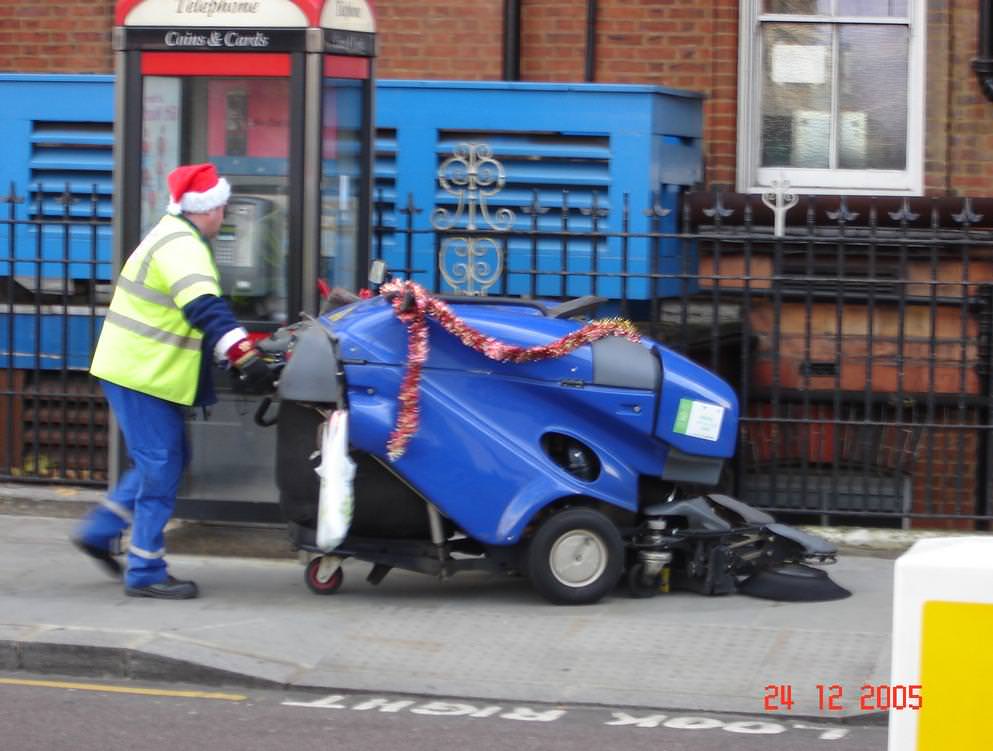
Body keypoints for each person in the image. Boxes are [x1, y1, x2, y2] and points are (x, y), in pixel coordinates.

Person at [72, 163, 276, 600]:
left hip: (143, 370)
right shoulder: (183, 246)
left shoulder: (174, 235)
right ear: (210, 208)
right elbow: (205, 308)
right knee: (162, 463)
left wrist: (236, 352)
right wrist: (244, 355)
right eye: (222, 208)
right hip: (140, 372)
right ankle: (145, 570)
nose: (224, 217)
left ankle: (102, 529)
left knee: (164, 459)